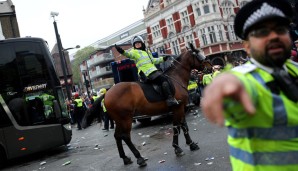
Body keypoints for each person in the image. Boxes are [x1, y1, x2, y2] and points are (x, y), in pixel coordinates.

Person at [201, 0, 298, 170]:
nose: (274, 36)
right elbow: (234, 84)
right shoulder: (245, 79)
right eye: (262, 32)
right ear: (246, 46)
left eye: (280, 29)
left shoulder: (294, 68)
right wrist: (225, 85)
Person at [114, 36, 179, 107]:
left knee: (166, 77)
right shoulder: (134, 52)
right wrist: (122, 51)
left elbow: (154, 60)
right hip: (145, 73)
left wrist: (163, 59)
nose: (138, 45)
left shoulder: (147, 52)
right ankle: (170, 99)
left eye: (139, 43)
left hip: (154, 71)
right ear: (134, 46)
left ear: (142, 43)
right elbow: (129, 54)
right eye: (136, 44)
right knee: (163, 79)